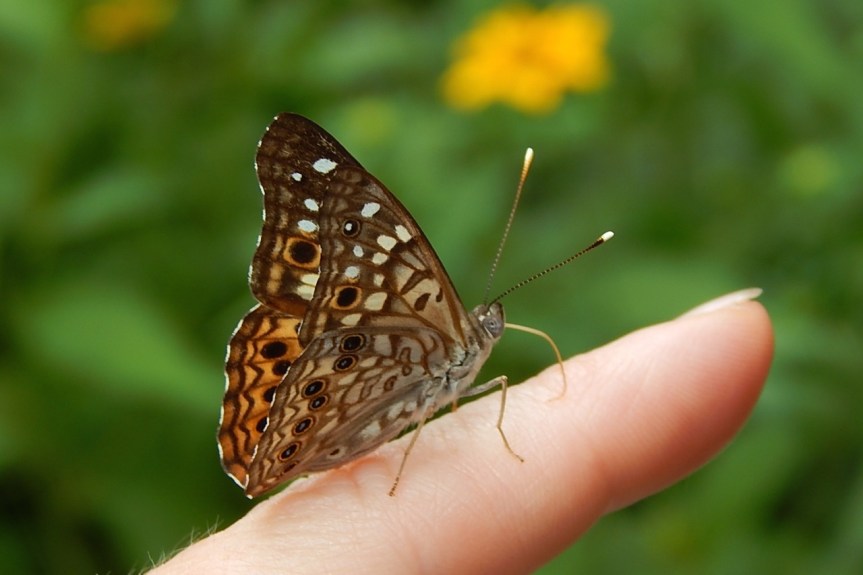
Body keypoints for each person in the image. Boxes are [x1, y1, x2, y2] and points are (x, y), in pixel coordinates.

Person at [150, 289, 773, 574]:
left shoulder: (442, 340)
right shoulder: (434, 332)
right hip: (315, 404)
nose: (492, 328)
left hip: (328, 410)